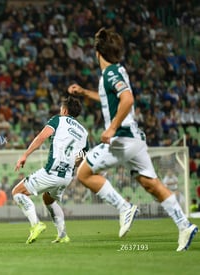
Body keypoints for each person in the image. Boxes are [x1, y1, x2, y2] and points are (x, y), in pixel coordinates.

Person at [67, 27, 198, 252]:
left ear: (97, 53)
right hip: (135, 140)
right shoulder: (117, 71)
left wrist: (111, 128)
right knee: (151, 184)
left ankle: (124, 207)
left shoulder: (110, 74)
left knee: (84, 173)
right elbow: (111, 99)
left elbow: (127, 99)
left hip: (122, 139)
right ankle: (184, 225)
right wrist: (84, 93)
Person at [12, 96, 88, 244]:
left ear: (64, 110)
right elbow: (82, 156)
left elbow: (41, 137)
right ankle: (62, 235)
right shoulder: (84, 132)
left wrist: (25, 155)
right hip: (67, 176)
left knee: (17, 192)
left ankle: (36, 224)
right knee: (48, 199)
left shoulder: (59, 119)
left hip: (51, 172)